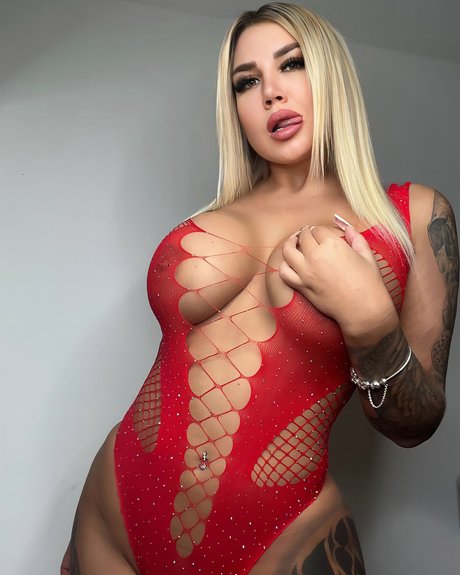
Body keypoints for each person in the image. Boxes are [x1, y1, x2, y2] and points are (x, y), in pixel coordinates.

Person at [61, 3, 458, 574]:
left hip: (282, 538)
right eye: (247, 82)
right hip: (117, 511)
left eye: (291, 64)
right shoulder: (213, 216)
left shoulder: (412, 218)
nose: (270, 93)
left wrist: (370, 318)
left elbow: (416, 426)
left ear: (331, 75)